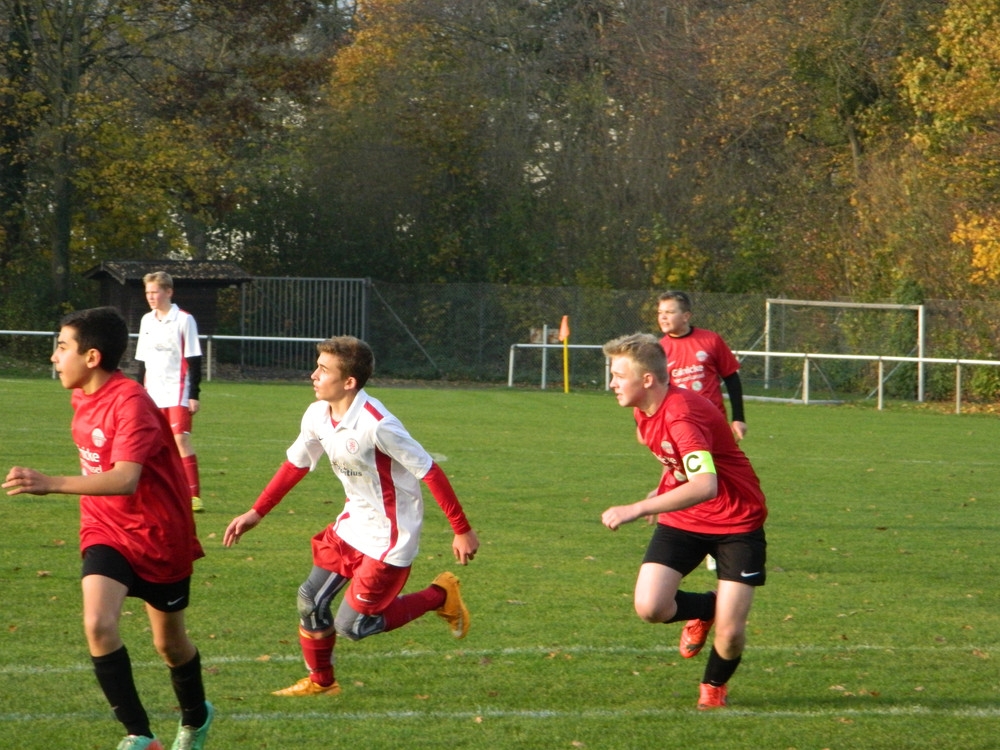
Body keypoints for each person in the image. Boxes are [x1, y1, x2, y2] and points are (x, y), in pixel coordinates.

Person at [4, 306, 213, 750]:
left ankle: (196, 718)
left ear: (92, 357)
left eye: (62, 347)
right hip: (106, 529)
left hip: (159, 535)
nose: (54, 358)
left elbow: (125, 479)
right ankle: (141, 737)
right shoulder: (81, 394)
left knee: (170, 645)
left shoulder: (131, 402)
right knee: (98, 623)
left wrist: (51, 483)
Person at [223, 335, 480, 697]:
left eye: (323, 369)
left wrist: (462, 529)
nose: (313, 375)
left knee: (354, 627)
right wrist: (256, 512)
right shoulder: (317, 415)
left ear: (349, 382)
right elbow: (295, 465)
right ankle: (322, 683)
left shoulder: (378, 424)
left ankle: (441, 595)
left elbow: (430, 471)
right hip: (352, 525)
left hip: (389, 538)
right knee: (310, 600)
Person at [599, 332, 767, 710]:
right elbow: (671, 460)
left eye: (617, 375)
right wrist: (660, 490)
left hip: (736, 522)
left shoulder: (682, 415)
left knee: (731, 634)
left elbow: (706, 485)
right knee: (651, 607)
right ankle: (708, 607)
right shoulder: (643, 412)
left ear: (647, 380)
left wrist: (639, 508)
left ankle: (712, 689)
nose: (611, 384)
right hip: (686, 517)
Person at [135, 271, 205, 513]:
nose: (151, 297)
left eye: (155, 292)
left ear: (168, 292)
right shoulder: (146, 320)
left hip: (178, 391)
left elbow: (194, 359)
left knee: (180, 440)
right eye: (148, 293)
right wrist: (137, 392)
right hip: (151, 392)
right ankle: (156, 493)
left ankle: (193, 495)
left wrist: (194, 394)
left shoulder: (184, 320)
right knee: (151, 443)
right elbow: (141, 361)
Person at [656, 290, 747, 443]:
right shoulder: (658, 350)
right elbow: (652, 392)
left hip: (713, 422)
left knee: (722, 466)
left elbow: (731, 378)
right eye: (660, 312)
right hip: (680, 424)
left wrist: (738, 418)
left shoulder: (711, 340)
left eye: (670, 312)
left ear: (686, 316)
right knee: (681, 466)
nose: (663, 317)